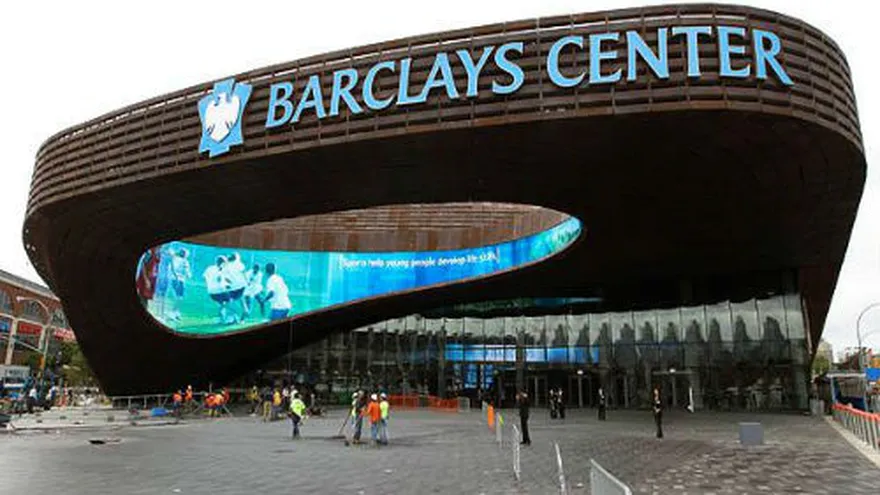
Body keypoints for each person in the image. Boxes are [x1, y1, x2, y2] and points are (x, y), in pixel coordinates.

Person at [204, 256, 232, 324]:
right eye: (224, 262)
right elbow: (219, 279)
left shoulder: (210, 268)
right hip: (219, 290)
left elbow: (205, 277)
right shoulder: (220, 269)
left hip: (211, 291)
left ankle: (221, 318)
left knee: (222, 303)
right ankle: (223, 318)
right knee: (229, 301)